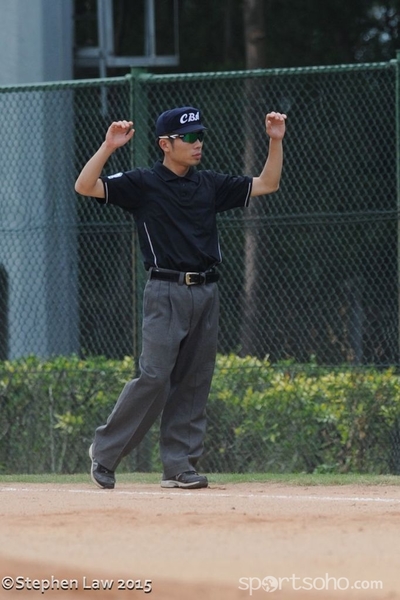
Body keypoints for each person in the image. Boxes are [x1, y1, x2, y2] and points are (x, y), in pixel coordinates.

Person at [75, 105, 286, 490]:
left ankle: (179, 465)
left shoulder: (209, 184)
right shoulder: (143, 183)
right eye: (187, 137)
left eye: (199, 135)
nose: (196, 143)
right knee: (155, 376)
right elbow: (85, 186)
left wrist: (275, 141)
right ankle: (104, 453)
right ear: (165, 144)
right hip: (165, 291)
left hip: (206, 290)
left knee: (194, 380)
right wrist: (108, 147)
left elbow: (267, 183)